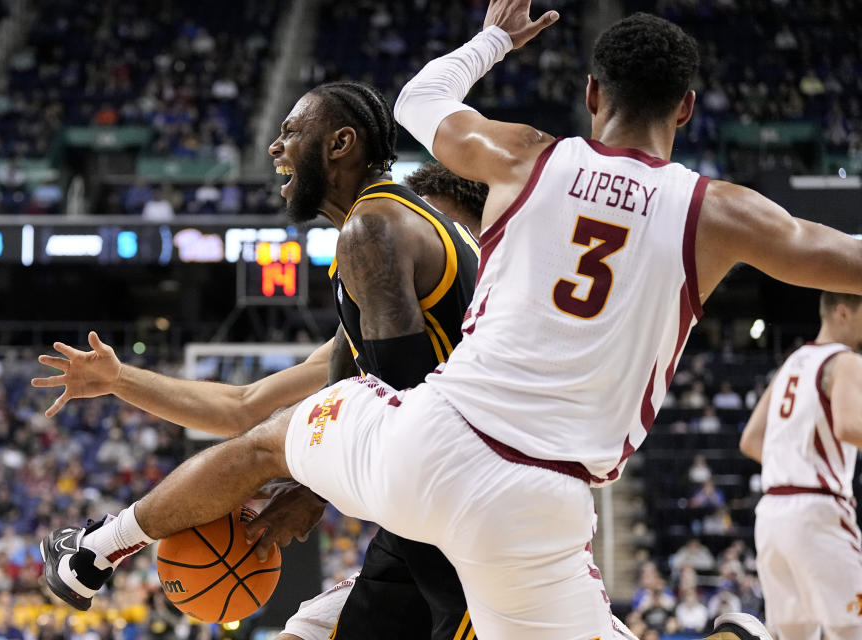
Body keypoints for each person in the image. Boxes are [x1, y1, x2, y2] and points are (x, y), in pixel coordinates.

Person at [42, 0, 862, 636]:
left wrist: (493, 39)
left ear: (591, 95)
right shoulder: (723, 213)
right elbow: (844, 255)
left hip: (431, 442)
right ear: (685, 109)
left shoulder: (524, 157)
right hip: (542, 500)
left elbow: (420, 98)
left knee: (265, 446)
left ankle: (94, 551)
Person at [39, 79, 486, 640]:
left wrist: (313, 484)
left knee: (275, 442)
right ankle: (97, 549)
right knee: (300, 623)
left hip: (468, 518)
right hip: (423, 520)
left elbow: (404, 411)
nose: (275, 149)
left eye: (291, 132)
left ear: (341, 143)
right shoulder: (375, 245)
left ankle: (98, 549)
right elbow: (250, 405)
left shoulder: (376, 229)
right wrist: (119, 378)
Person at [740, 292, 862, 640]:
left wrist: (796, 464)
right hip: (817, 512)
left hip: (772, 517)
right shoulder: (846, 361)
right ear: (843, 312)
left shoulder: (792, 362)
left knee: (795, 636)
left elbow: (750, 440)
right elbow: (849, 426)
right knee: (853, 628)